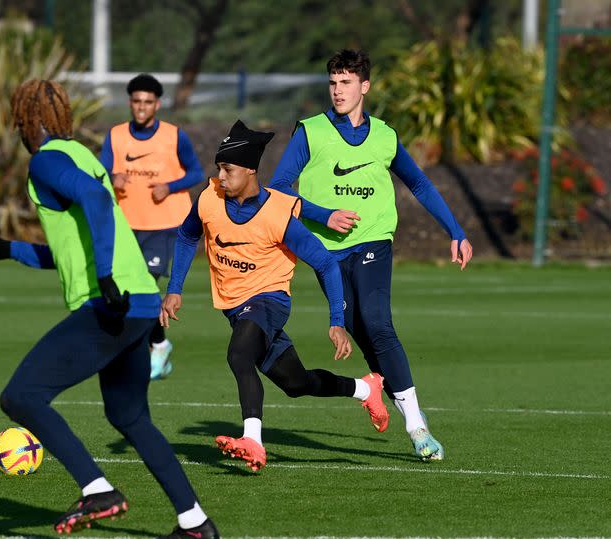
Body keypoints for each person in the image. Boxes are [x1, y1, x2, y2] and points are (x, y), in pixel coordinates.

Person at [0, 79, 218, 539]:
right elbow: (72, 249)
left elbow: (100, 203)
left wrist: (105, 278)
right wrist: (7, 249)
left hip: (113, 303)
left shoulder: (46, 160)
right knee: (128, 417)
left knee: (21, 396)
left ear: (28, 119)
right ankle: (196, 523)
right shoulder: (83, 155)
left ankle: (98, 489)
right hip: (140, 302)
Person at [269, 49, 474, 461]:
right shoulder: (309, 132)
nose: (338, 90)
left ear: (365, 86)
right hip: (325, 251)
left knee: (379, 324)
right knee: (359, 331)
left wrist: (455, 231)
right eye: (333, 82)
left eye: (346, 82)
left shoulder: (384, 135)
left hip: (374, 241)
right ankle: (377, 388)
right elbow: (279, 188)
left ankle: (416, 426)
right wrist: (324, 214)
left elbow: (419, 184)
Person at [159, 120, 389, 472]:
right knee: (296, 383)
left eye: (228, 169)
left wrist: (337, 322)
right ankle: (365, 389)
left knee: (239, 355)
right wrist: (174, 289)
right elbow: (188, 235)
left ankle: (253, 441)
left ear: (250, 171)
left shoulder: (277, 215)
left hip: (270, 299)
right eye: (219, 168)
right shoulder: (208, 199)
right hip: (236, 308)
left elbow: (326, 264)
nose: (220, 176)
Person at [99, 73, 205, 381]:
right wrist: (112, 177)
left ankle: (157, 345)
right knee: (128, 290)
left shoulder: (174, 135)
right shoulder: (116, 135)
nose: (142, 107)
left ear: (157, 104)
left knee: (146, 286)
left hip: (165, 225)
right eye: (136, 101)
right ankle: (156, 343)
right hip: (127, 226)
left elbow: (196, 172)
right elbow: (102, 170)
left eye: (148, 102)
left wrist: (170, 186)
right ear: (130, 103)